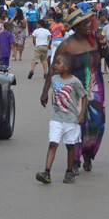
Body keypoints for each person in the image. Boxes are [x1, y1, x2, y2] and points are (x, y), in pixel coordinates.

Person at [41, 9, 109, 174]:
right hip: (74, 90)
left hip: (96, 88)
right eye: (85, 24)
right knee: (76, 124)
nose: (89, 26)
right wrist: (45, 91)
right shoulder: (66, 45)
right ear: (76, 27)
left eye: (88, 23)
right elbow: (53, 68)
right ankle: (75, 161)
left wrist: (104, 44)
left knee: (95, 123)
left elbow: (104, 55)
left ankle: (88, 154)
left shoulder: (94, 39)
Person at [36, 54, 88, 184]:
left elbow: (84, 97)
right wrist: (45, 94)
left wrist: (82, 114)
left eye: (58, 63)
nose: (55, 65)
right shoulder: (54, 79)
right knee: (53, 143)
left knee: (70, 146)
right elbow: (53, 89)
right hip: (56, 118)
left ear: (67, 67)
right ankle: (47, 172)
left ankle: (69, 172)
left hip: (71, 120)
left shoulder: (75, 82)